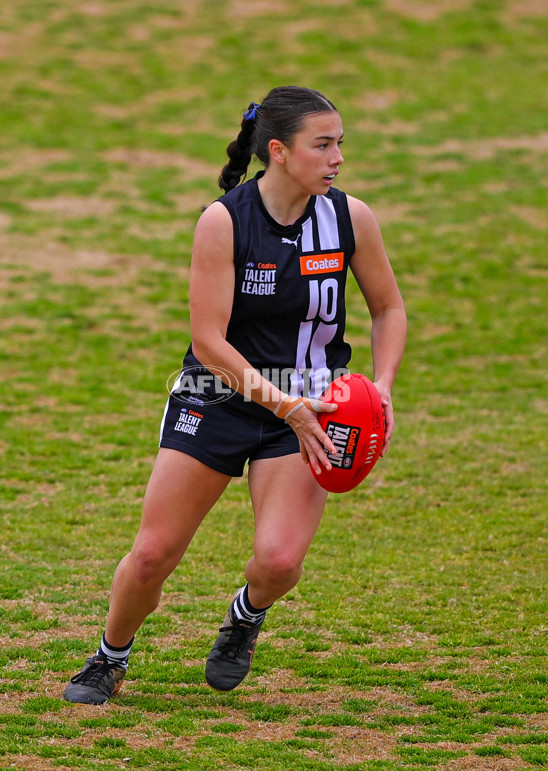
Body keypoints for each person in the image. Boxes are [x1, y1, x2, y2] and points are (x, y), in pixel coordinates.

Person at [63, 86, 407, 704]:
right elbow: (209, 341)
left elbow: (388, 308)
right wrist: (286, 405)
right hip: (217, 398)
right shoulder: (224, 221)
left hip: (310, 409)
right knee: (153, 554)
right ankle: (109, 658)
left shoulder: (351, 218)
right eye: (322, 145)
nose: (337, 157)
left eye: (340, 144)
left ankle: (245, 617)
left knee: (278, 562)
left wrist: (380, 384)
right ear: (278, 151)